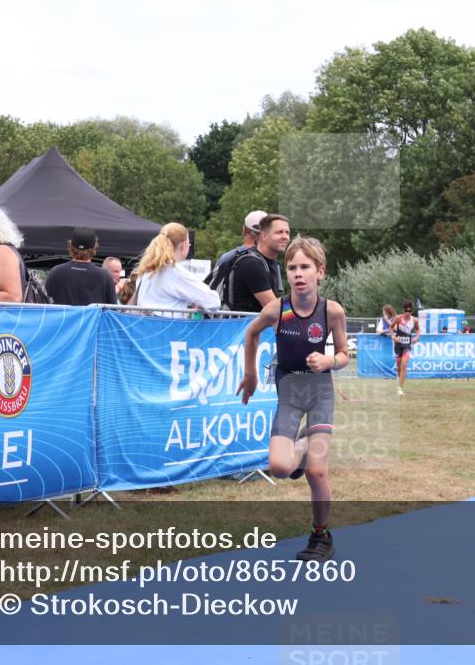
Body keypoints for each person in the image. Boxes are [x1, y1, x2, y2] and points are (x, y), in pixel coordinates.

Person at [237, 235, 348, 562]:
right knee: (280, 467)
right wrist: (250, 373)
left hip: (320, 393)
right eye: (292, 267)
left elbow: (344, 354)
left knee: (316, 472)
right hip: (289, 393)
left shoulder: (332, 312)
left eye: (305, 267)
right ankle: (301, 445)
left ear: (321, 272)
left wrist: (330, 361)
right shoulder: (277, 309)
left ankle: (321, 534)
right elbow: (251, 333)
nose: (298, 274)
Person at [132, 223, 219, 315]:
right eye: (189, 244)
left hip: (144, 326)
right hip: (167, 327)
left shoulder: (146, 270)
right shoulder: (176, 273)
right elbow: (214, 302)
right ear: (184, 245)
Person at [227, 213, 290, 312]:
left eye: (287, 232)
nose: (285, 236)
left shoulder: (270, 261)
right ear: (264, 236)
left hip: (257, 325)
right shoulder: (252, 264)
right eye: (279, 232)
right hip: (242, 325)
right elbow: (274, 308)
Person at [45, 228, 117, 306]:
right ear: (95, 247)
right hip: (94, 318)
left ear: (70, 245)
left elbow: (45, 304)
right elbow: (112, 310)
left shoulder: (55, 272)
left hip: (63, 318)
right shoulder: (104, 276)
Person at [391, 300, 420, 396]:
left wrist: (416, 337)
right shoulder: (398, 318)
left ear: (412, 311)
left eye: (410, 311)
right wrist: (393, 336)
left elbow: (418, 329)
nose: (407, 313)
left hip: (407, 346)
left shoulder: (415, 320)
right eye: (406, 311)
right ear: (403, 310)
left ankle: (400, 388)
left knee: (404, 364)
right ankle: (399, 380)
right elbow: (391, 328)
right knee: (399, 366)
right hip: (398, 345)